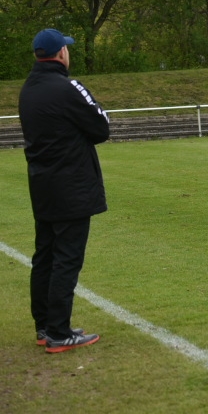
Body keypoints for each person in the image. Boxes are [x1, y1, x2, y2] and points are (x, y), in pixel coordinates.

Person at [19, 29, 110, 353]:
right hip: (71, 185)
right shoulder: (68, 87)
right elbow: (101, 128)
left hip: (42, 185)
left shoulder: (28, 89)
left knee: (44, 256)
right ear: (60, 54)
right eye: (67, 49)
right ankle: (59, 331)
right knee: (66, 258)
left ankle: (44, 326)